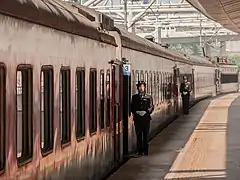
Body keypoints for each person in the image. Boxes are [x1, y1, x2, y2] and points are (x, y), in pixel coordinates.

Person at [131, 81, 154, 156]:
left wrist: (146, 112)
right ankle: (140, 151)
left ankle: (145, 150)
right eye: (140, 87)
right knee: (138, 135)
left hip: (146, 119)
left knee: (146, 135)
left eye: (142, 86)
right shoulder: (134, 97)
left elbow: (151, 107)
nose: (141, 88)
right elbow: (132, 107)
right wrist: (136, 112)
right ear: (138, 88)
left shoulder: (148, 97)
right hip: (137, 119)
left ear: (144, 87)